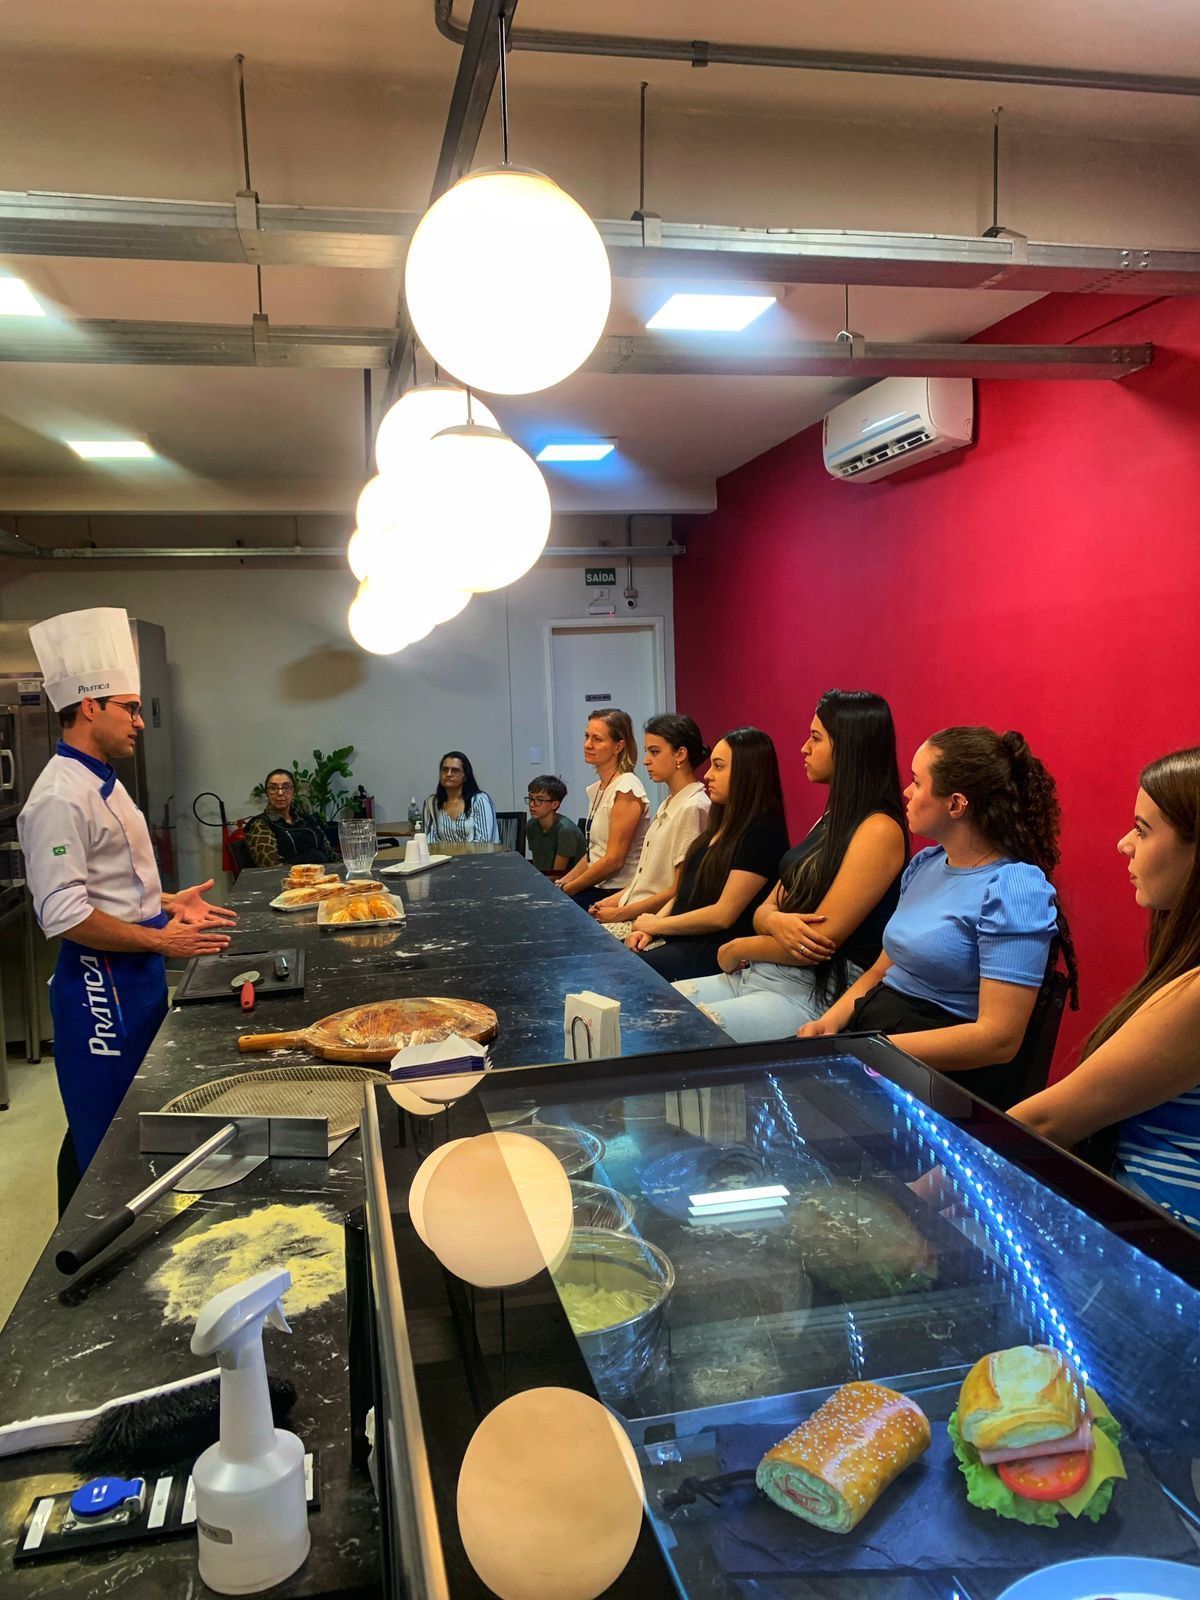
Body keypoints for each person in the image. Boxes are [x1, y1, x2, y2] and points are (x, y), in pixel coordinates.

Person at [17, 607, 236, 1205]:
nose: (141, 721)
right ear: (91, 706)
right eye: (130, 707)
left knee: (142, 1124)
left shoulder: (103, 781)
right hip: (99, 993)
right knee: (112, 1147)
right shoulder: (58, 797)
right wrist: (163, 939)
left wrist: (164, 902)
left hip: (134, 980)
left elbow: (105, 883)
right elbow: (64, 913)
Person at [799, 726, 1063, 1111]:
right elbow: (881, 970)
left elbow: (999, 1039)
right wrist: (831, 1023)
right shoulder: (926, 864)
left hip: (937, 1074)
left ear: (956, 804)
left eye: (916, 782)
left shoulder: (1014, 888)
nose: (905, 791)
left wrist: (875, 1050)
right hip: (877, 1037)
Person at [1008, 747, 1200, 1231]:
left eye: (1143, 829)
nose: (1124, 844)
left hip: (1161, 1253)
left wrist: (914, 1193)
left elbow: (1048, 1122)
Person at [673, 690, 907, 1038]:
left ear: (849, 747)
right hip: (764, 973)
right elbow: (765, 909)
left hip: (814, 992)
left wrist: (737, 946)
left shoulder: (879, 830)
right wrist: (774, 920)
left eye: (816, 738)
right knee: (652, 1007)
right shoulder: (830, 818)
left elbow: (815, 944)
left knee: (679, 1031)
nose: (804, 748)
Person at [624, 726, 790, 982]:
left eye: (719, 766)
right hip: (683, 939)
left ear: (748, 773)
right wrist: (651, 927)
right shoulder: (717, 824)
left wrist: (657, 925)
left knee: (625, 973)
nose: (709, 775)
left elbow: (722, 915)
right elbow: (687, 893)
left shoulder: (763, 833)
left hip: (716, 951)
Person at [589, 714, 711, 937]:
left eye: (654, 752)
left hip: (652, 922)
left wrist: (621, 913)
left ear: (680, 755)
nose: (645, 760)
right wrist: (611, 902)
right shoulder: (669, 802)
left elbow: (678, 890)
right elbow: (645, 880)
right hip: (634, 910)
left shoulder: (693, 807)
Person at [557, 708, 649, 911]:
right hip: (596, 888)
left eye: (597, 739)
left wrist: (569, 889)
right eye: (586, 736)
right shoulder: (600, 788)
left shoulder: (627, 789)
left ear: (618, 746)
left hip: (614, 893)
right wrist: (562, 883)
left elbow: (613, 860)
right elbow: (594, 855)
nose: (587, 744)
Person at [243, 767, 333, 868]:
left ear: (293, 792)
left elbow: (331, 855)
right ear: (267, 794)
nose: (280, 793)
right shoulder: (260, 825)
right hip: (291, 880)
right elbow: (271, 868)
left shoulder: (307, 820)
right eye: (273, 788)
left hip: (327, 877)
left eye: (286, 788)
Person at [422, 751, 500, 844]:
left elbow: (485, 842)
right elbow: (428, 842)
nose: (448, 774)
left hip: (479, 857)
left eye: (455, 770)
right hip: (444, 858)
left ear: (465, 776)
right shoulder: (431, 803)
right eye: (445, 769)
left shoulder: (479, 800)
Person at [526, 774, 586, 876]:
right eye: (531, 798)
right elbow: (538, 863)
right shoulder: (531, 825)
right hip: (545, 879)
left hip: (571, 883)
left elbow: (556, 874)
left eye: (539, 800)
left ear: (554, 804)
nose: (532, 804)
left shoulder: (565, 831)